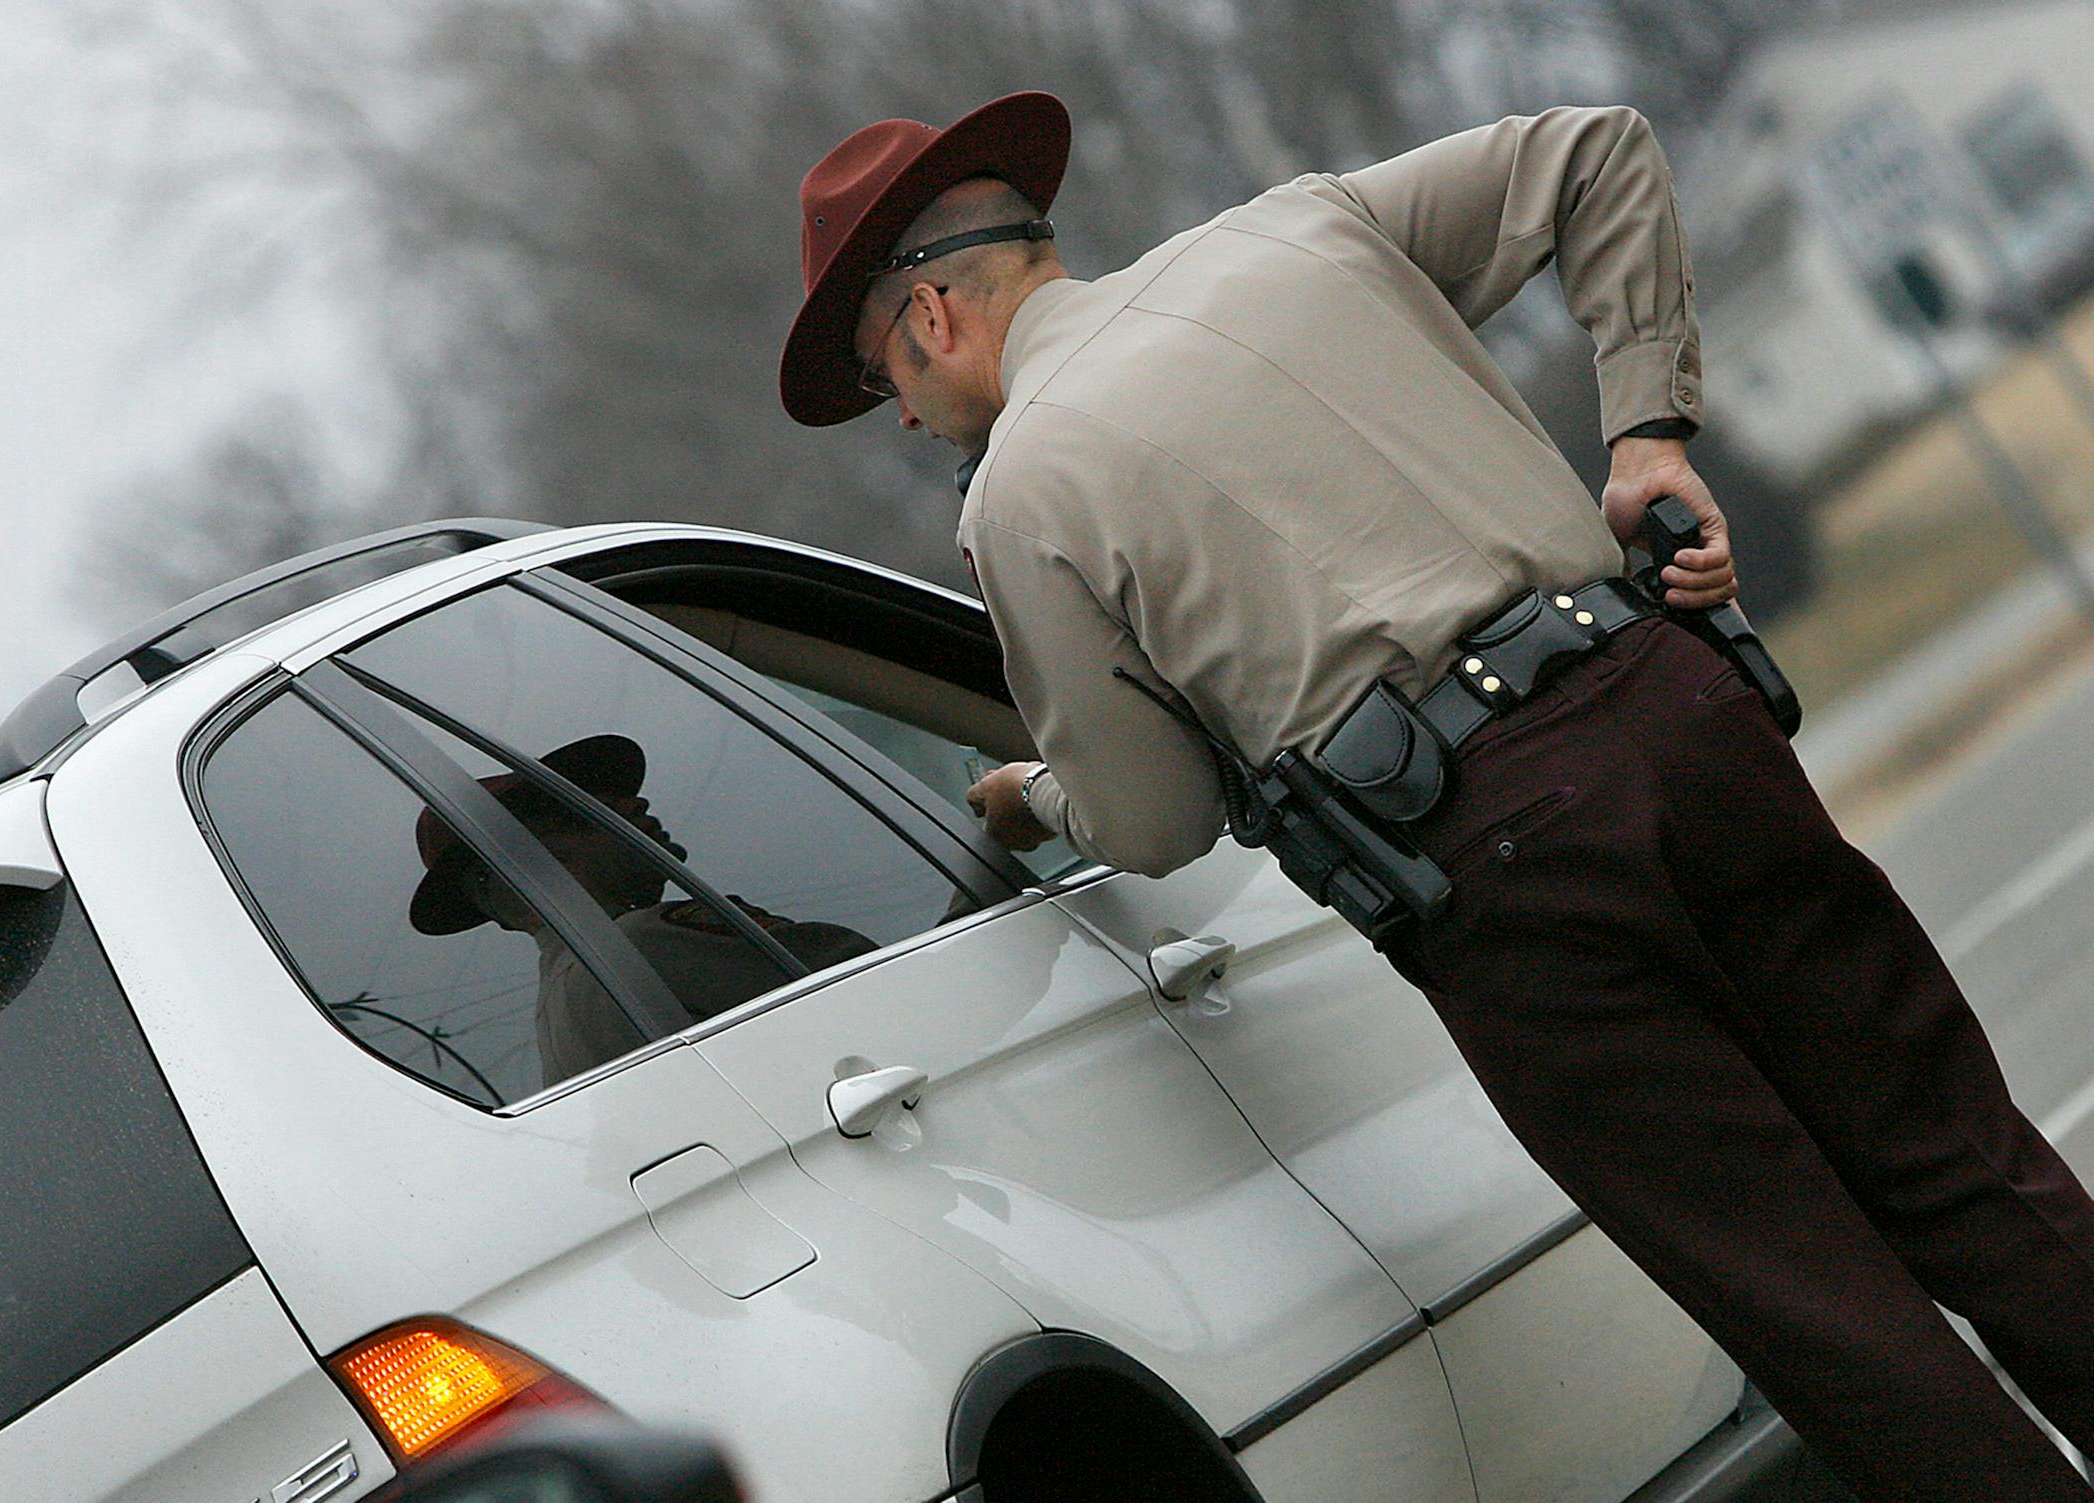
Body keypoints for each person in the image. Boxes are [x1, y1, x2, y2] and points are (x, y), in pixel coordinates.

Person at [778, 91, 2094, 1500]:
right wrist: (1648, 436)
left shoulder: (1021, 490)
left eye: (879, 385)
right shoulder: (1297, 231)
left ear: (930, 319)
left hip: (1503, 862)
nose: (904, 417)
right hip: (1679, 706)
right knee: (1966, 1166)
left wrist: (1038, 795)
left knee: (1827, 1309)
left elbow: (1152, 817)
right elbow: (1599, 152)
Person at [409, 733, 874, 1083]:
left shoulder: (557, 1013)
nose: (636, 804)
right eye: (592, 807)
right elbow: (869, 981)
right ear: (541, 858)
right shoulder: (642, 944)